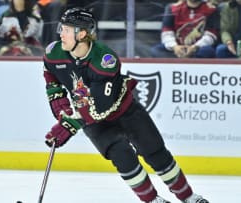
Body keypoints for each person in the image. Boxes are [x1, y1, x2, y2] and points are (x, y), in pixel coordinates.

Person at [42, 7, 209, 203]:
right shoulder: (54, 53)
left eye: (67, 29)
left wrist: (70, 124)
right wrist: (63, 111)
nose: (61, 33)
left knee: (156, 153)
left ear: (83, 34)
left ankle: (188, 197)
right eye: (62, 28)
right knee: (124, 160)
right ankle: (153, 201)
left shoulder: (104, 59)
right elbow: (51, 77)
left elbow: (100, 106)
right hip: (94, 122)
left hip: (124, 111)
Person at [150, 0, 219, 58]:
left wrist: (195, 47)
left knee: (207, 51)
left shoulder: (211, 9)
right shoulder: (172, 8)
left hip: (198, 48)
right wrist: (174, 47)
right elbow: (166, 32)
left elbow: (211, 35)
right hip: (177, 48)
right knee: (156, 50)